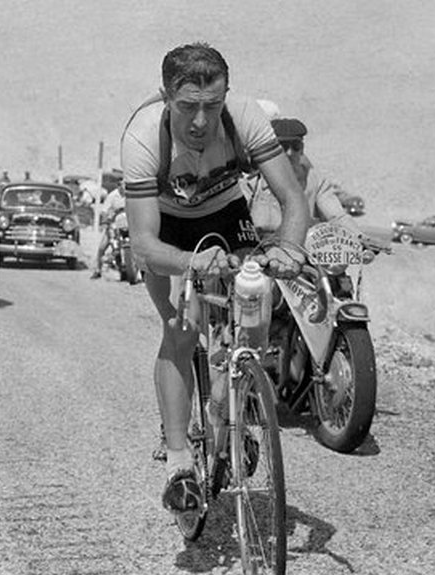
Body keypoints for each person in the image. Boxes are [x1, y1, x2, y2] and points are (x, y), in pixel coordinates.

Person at [121, 42, 309, 512]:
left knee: (251, 307)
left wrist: (289, 248)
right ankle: (180, 461)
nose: (202, 121)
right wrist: (190, 264)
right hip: (167, 225)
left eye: (213, 105)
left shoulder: (243, 118)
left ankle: (231, 404)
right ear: (166, 98)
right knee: (181, 328)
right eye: (188, 107)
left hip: (225, 211)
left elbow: (293, 198)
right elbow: (143, 244)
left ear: (227, 95)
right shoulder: (143, 138)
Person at [246, 117, 365, 237]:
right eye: (283, 146)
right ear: (271, 150)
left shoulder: (316, 182)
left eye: (296, 147)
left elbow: (337, 217)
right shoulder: (253, 183)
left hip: (301, 248)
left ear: (302, 149)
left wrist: (361, 238)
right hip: (260, 248)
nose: (290, 153)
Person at [91, 180, 126, 278]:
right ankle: (98, 270)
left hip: (128, 224)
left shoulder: (130, 195)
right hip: (114, 224)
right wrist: (105, 222)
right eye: (123, 185)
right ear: (118, 186)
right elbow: (104, 211)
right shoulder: (112, 196)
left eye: (126, 185)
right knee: (102, 247)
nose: (125, 188)